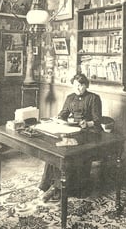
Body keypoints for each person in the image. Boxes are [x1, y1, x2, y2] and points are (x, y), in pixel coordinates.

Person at [40, 73, 102, 201]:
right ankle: (49, 185)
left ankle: (58, 188)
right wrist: (58, 119)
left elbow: (97, 120)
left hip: (89, 132)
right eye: (75, 85)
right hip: (73, 130)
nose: (78, 88)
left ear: (86, 85)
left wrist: (87, 123)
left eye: (80, 85)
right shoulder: (70, 98)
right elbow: (63, 114)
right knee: (55, 150)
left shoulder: (93, 98)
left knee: (70, 152)